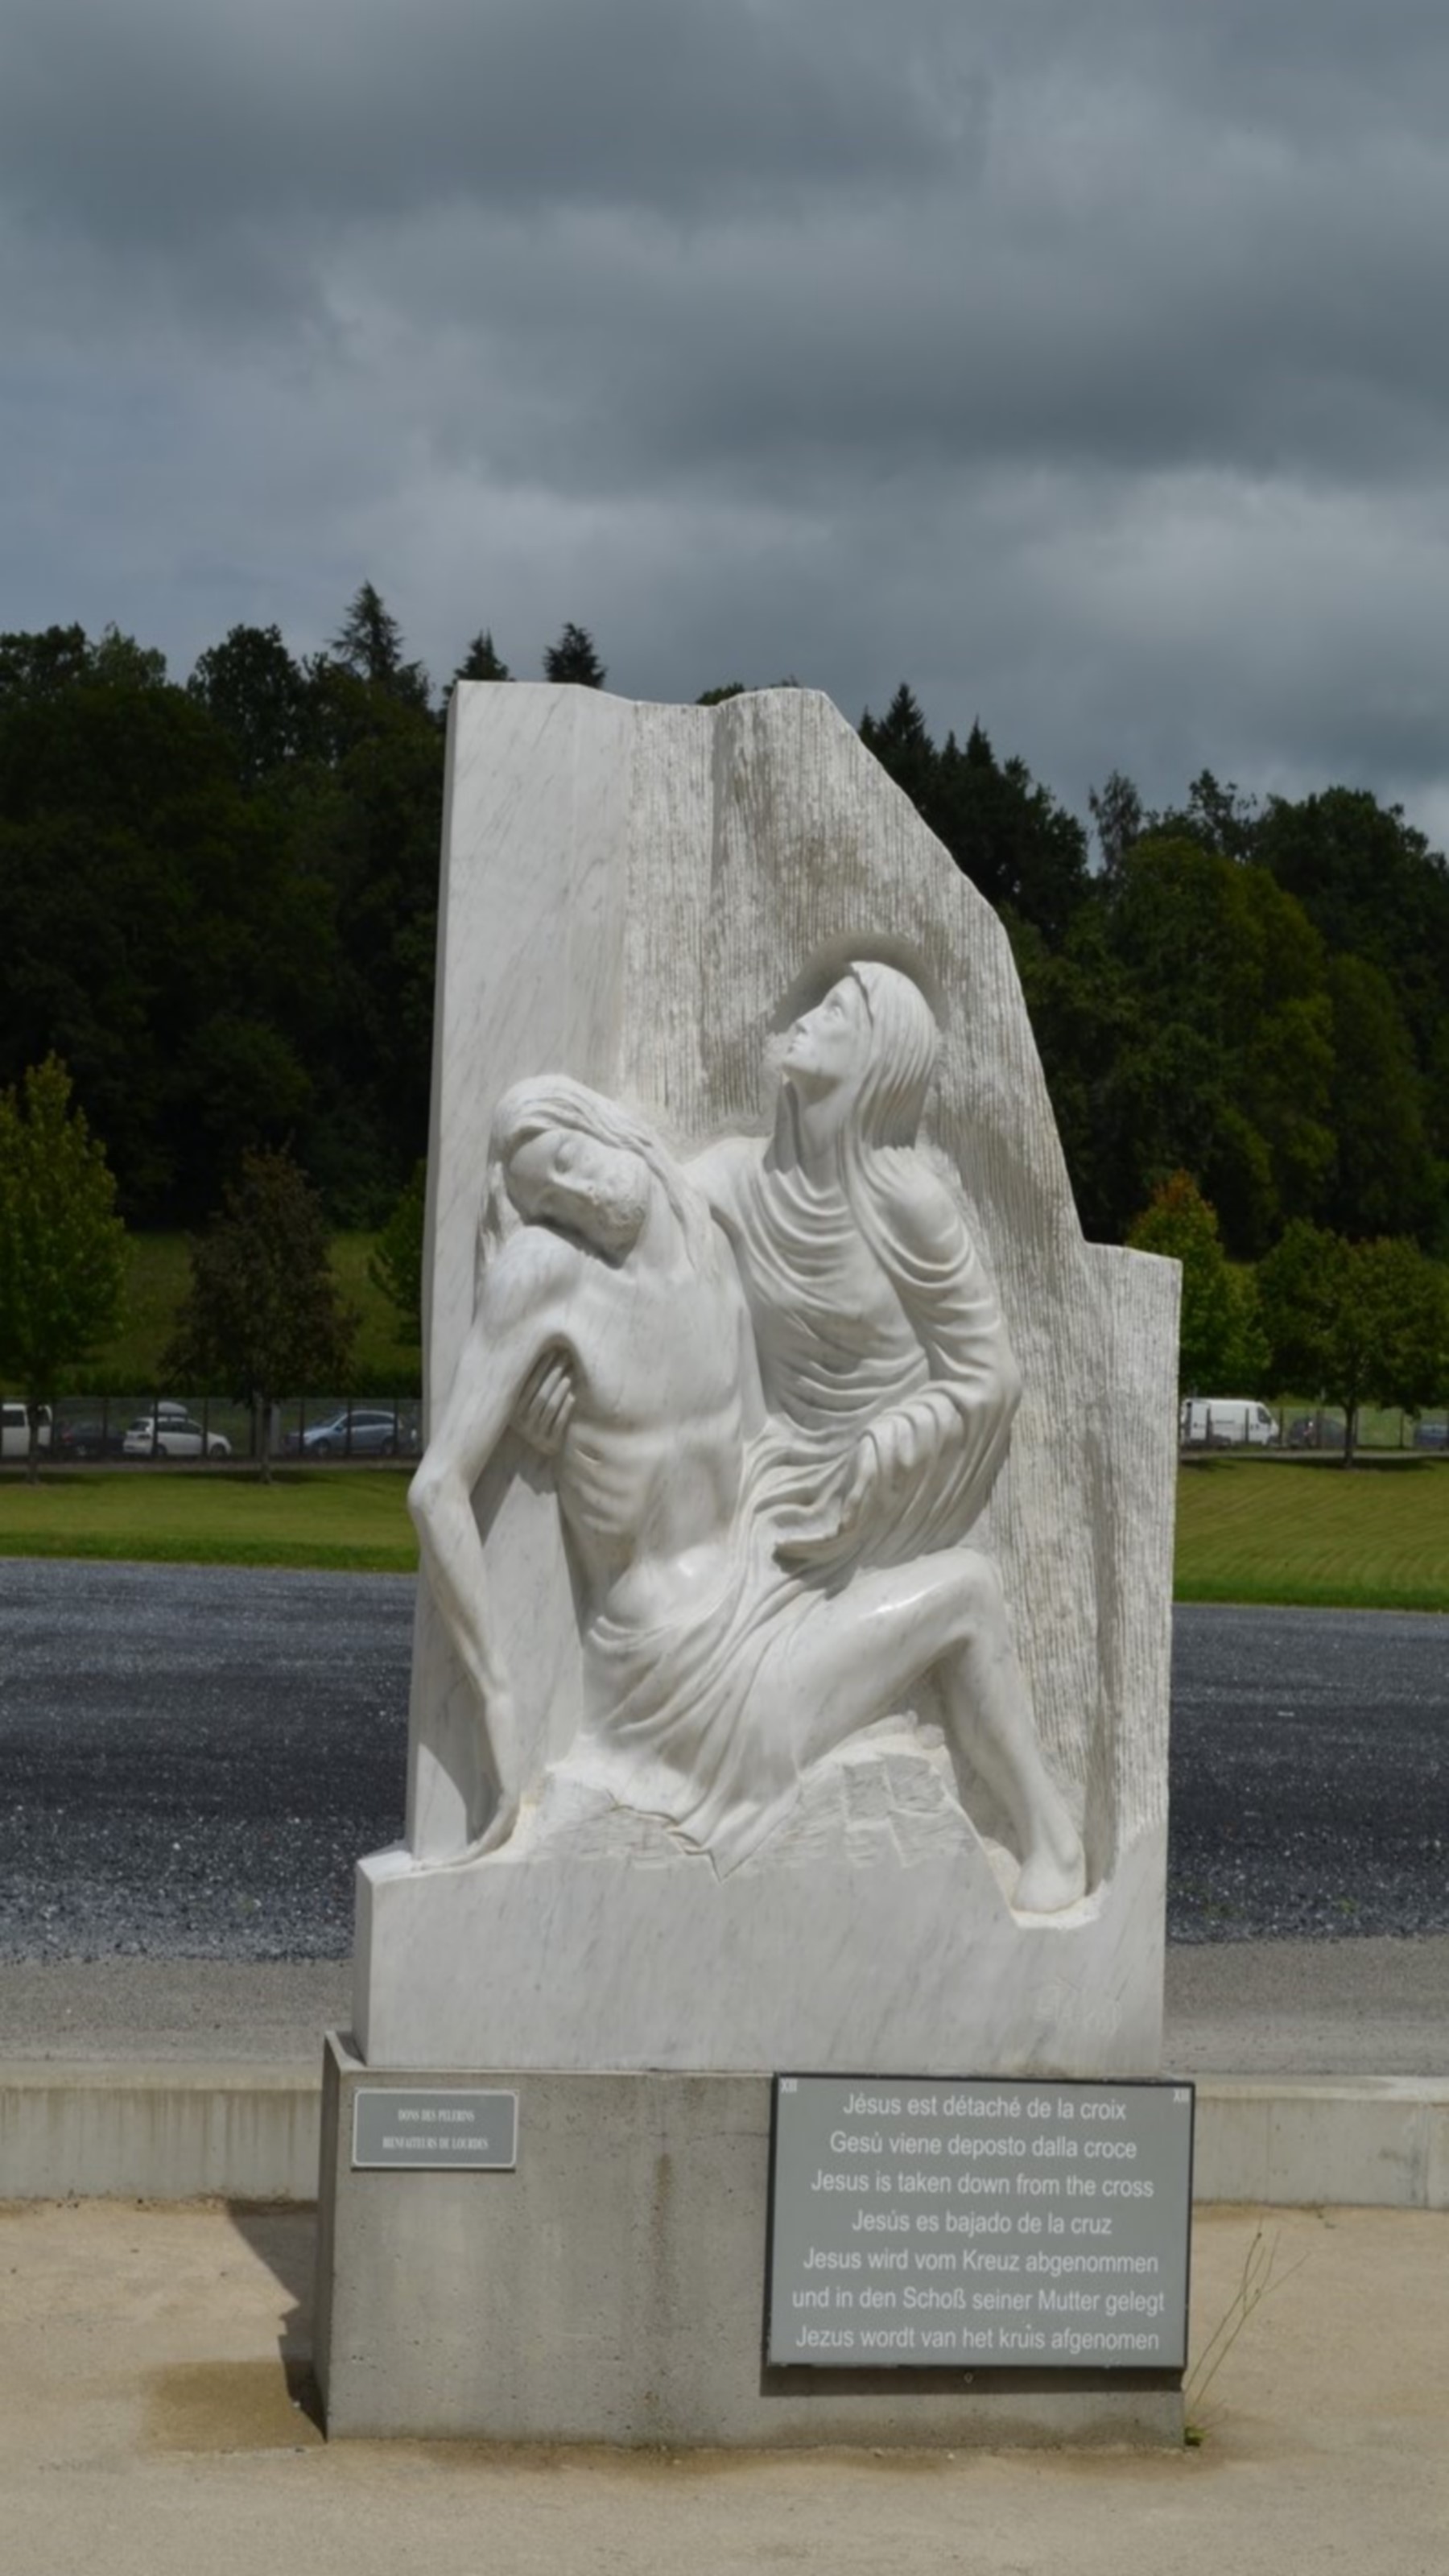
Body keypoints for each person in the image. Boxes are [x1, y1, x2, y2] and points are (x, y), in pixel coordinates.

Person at [414, 1067, 1083, 1906]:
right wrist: (495, 1694)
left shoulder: (715, 1259)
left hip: (756, 1592)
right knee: (970, 1595)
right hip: (672, 1672)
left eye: (569, 1160)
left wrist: (857, 1483)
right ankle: (1053, 1845)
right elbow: (436, 1489)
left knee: (960, 1587)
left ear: (608, 1128)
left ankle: (1049, 1849)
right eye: (549, 1201)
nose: (579, 1196)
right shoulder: (546, 1272)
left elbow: (763, 1441)